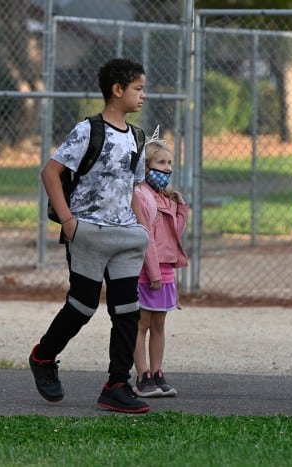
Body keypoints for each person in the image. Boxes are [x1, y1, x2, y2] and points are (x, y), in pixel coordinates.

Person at [29, 58, 151, 414]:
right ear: (117, 90)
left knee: (128, 310)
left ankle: (116, 384)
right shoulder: (88, 131)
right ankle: (43, 356)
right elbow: (50, 173)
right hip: (88, 233)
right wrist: (69, 222)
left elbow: (133, 187)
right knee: (82, 306)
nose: (143, 95)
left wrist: (143, 229)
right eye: (138, 89)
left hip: (126, 237)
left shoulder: (138, 138)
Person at [132, 128, 188, 398]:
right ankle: (142, 376)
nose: (166, 169)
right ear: (146, 167)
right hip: (147, 272)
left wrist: (180, 206)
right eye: (160, 163)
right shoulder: (141, 196)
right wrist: (153, 271)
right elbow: (147, 239)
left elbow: (174, 236)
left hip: (164, 270)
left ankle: (157, 372)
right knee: (140, 324)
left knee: (159, 324)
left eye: (169, 163)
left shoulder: (167, 196)